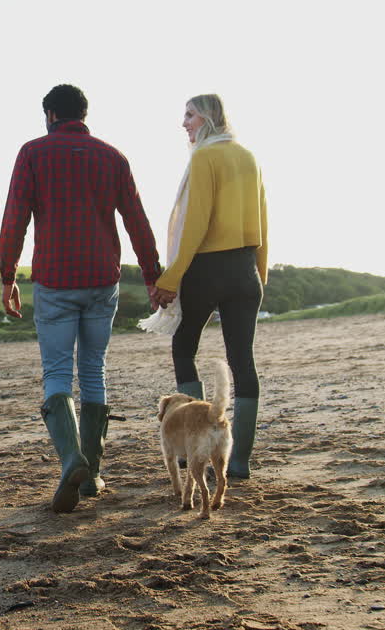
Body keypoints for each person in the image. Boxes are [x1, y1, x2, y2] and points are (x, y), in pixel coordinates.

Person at [0, 84, 163, 512]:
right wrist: (152, 276)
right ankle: (91, 477)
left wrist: (7, 274)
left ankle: (73, 459)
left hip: (54, 279)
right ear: (84, 115)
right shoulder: (113, 157)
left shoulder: (33, 153)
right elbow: (136, 220)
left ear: (50, 114)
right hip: (100, 278)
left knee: (56, 371)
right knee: (93, 370)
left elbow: (15, 216)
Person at [149, 94, 268, 481]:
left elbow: (196, 225)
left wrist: (171, 277)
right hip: (245, 270)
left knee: (184, 347)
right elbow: (263, 222)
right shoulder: (248, 157)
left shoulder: (204, 158)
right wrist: (259, 274)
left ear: (209, 118)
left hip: (207, 269)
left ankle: (192, 448)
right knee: (242, 359)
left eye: (190, 115)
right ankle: (239, 463)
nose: (184, 123)